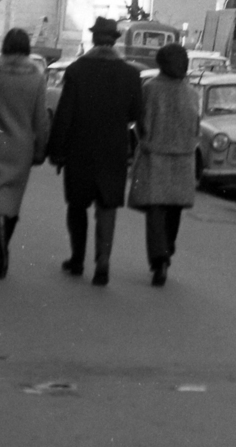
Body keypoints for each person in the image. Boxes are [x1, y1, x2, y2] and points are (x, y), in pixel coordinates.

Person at [46, 17, 143, 286]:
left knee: (77, 205)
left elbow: (64, 114)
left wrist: (57, 151)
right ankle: (103, 261)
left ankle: (77, 259)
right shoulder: (130, 74)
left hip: (80, 148)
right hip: (113, 149)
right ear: (115, 41)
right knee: (107, 206)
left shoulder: (77, 70)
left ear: (93, 39)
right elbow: (136, 114)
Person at [0, 27, 50, 279]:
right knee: (12, 201)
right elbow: (41, 119)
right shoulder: (36, 78)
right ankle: (5, 247)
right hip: (21, 147)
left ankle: (1, 253)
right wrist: (41, 148)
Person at [129, 42, 199, 286]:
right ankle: (167, 250)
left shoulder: (151, 89)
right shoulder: (191, 92)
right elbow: (196, 127)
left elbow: (141, 123)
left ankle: (159, 260)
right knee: (174, 209)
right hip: (182, 159)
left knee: (156, 210)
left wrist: (145, 140)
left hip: (155, 158)